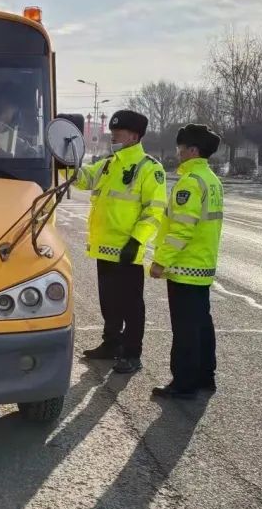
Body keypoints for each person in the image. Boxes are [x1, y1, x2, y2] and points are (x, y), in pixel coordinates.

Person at [75, 110, 167, 374]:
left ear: (134, 136)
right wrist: (66, 162)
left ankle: (132, 353)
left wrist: (136, 241)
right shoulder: (108, 164)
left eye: (119, 132)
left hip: (127, 251)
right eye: (113, 131)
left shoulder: (149, 168)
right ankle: (111, 344)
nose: (113, 135)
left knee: (131, 305)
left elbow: (154, 210)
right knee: (109, 302)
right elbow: (83, 179)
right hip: (104, 248)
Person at [149, 124, 224, 399]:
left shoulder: (191, 182)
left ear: (193, 150)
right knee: (202, 324)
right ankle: (206, 377)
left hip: (185, 266)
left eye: (181, 148)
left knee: (185, 330)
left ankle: (183, 383)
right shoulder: (211, 180)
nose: (178, 153)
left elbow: (182, 228)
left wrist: (160, 261)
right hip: (202, 264)